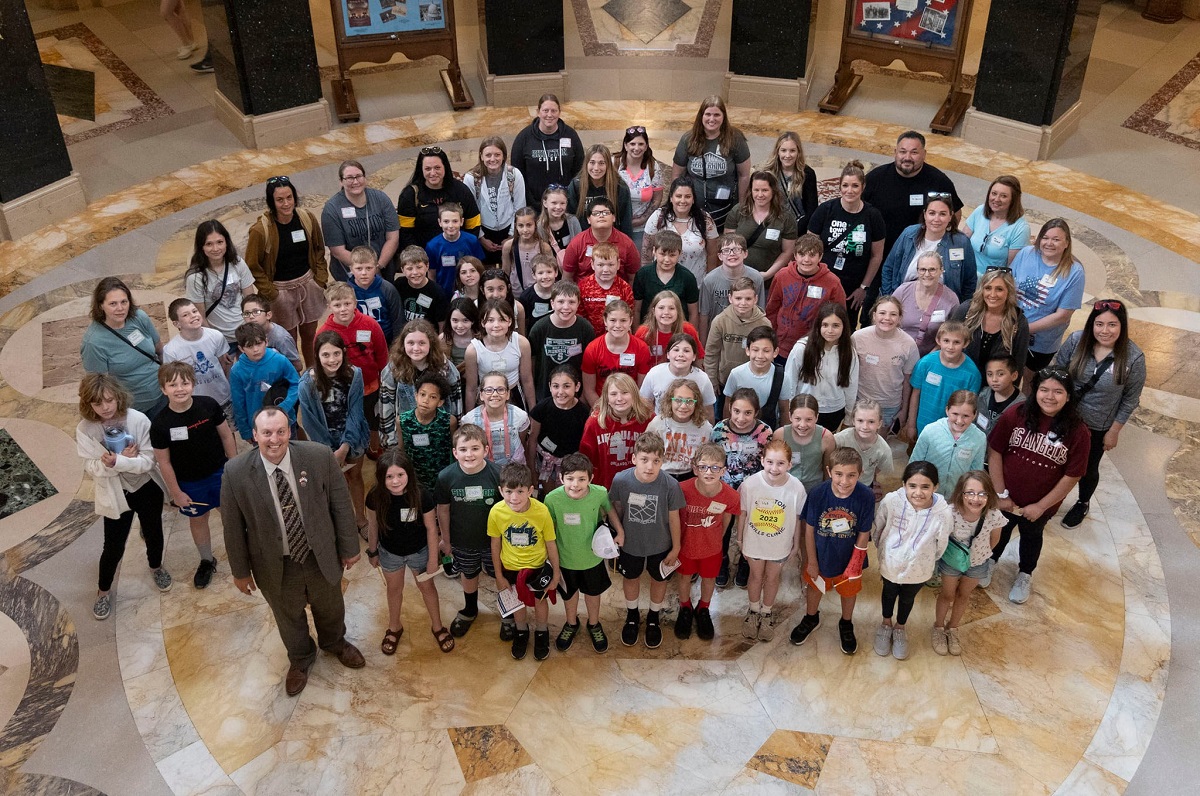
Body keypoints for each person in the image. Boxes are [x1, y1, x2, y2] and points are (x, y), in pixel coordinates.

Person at [221, 406, 364, 695]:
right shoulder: (235, 472)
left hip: (319, 554)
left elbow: (340, 503)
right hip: (274, 562)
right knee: (288, 615)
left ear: (290, 432)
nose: (274, 439)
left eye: (281, 431)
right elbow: (232, 527)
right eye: (267, 433)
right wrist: (239, 571)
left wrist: (349, 546)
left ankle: (335, 641)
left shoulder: (318, 456)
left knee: (331, 605)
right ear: (254, 435)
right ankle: (300, 657)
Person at [986, 367, 1091, 604]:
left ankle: (1025, 573)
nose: (1049, 397)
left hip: (1039, 505)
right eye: (1044, 389)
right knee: (999, 530)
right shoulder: (1016, 414)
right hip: (1007, 497)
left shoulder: (1078, 432)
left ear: (1069, 396)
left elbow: (1072, 476)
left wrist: (1042, 506)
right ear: (1035, 391)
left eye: (1058, 391)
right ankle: (991, 561)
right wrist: (1001, 493)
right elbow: (995, 452)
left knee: (1031, 537)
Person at [77, 374, 172, 622]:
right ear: (89, 405)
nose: (105, 407)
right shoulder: (86, 429)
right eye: (98, 404)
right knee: (113, 546)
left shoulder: (137, 420)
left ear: (118, 396)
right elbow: (90, 466)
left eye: (109, 400)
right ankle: (103, 590)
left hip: (146, 488)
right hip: (116, 492)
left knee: (153, 531)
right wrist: (118, 463)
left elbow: (148, 462)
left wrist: (119, 461)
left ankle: (156, 567)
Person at [1054, 299, 1145, 528]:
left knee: (1087, 468)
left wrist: (1114, 431)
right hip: (1064, 416)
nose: (1105, 331)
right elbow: (1057, 370)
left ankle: (1082, 503)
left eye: (1112, 325)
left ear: (1122, 326)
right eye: (1099, 324)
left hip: (1096, 425)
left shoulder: (1133, 358)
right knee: (1053, 459)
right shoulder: (1076, 341)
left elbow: (1130, 399)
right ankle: (1049, 496)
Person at [150, 362, 236, 590]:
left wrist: (234, 467)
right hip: (189, 483)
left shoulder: (208, 406)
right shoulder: (160, 424)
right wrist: (176, 492)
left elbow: (227, 437)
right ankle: (207, 560)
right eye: (173, 384)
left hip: (220, 473)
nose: (180, 388)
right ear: (163, 389)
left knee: (231, 515)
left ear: (193, 384)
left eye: (185, 383)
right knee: (198, 520)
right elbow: (163, 461)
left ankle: (243, 552)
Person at [366, 450, 454, 655]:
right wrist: (372, 551)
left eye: (400, 475)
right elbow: (372, 525)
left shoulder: (422, 494)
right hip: (390, 552)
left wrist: (433, 559)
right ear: (381, 477)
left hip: (419, 551)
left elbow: (432, 528)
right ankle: (394, 626)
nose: (395, 481)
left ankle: (438, 626)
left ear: (409, 474)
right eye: (389, 476)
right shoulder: (374, 497)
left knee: (428, 589)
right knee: (393, 590)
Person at [789, 447, 875, 653]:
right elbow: (808, 530)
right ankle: (811, 617)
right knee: (815, 586)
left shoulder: (866, 496)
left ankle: (846, 623)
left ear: (860, 474)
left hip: (849, 556)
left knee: (849, 591)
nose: (844, 481)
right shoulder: (818, 493)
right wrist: (811, 561)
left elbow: (864, 532)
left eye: (851, 475)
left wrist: (855, 564)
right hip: (821, 554)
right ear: (829, 472)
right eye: (839, 474)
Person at [870, 460, 953, 660]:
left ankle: (900, 628)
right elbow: (878, 527)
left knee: (907, 598)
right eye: (912, 486)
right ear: (904, 484)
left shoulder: (943, 512)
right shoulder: (891, 501)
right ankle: (886, 623)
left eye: (925, 487)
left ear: (936, 487)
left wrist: (926, 560)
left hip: (919, 569)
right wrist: (884, 550)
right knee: (888, 593)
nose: (918, 492)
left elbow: (941, 543)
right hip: (890, 563)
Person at [609, 434, 686, 649]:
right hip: (630, 544)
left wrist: (676, 547)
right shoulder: (621, 480)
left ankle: (653, 617)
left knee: (658, 580)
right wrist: (618, 533)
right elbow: (615, 508)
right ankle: (632, 615)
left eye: (656, 461)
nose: (650, 466)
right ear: (634, 459)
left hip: (660, 545)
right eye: (644, 459)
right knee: (631, 578)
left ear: (663, 461)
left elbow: (674, 518)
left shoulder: (670, 485)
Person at [247, 176, 330, 368]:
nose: (286, 203)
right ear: (271, 202)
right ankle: (294, 380)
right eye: (280, 200)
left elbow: (319, 249)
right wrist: (272, 294)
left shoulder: (306, 218)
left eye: (289, 197)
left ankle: (312, 373)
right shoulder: (261, 231)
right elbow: (252, 265)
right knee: (288, 340)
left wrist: (320, 280)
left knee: (310, 335)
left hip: (308, 285)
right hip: (280, 291)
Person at [544, 453, 624, 653]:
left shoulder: (599, 493)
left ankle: (594, 623)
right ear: (561, 478)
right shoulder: (552, 499)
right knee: (569, 595)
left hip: (592, 557)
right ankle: (571, 623)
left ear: (591, 478)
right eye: (570, 479)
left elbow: (610, 510)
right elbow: (548, 528)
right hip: (565, 559)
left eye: (581, 479)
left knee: (593, 593)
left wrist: (620, 531)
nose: (575, 484)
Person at [435, 425, 506, 639]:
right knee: (468, 573)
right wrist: (445, 540)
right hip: (462, 540)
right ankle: (470, 608)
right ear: (455, 452)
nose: (469, 454)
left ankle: (509, 612)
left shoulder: (498, 474)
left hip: (495, 542)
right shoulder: (446, 477)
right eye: (463, 449)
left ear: (486, 450)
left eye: (475, 448)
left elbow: (508, 510)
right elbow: (443, 510)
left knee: (501, 576)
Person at [489, 462, 562, 660]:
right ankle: (521, 631)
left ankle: (541, 631)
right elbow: (495, 545)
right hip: (510, 567)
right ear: (500, 490)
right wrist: (498, 574)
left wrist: (556, 573)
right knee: (517, 602)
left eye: (520, 491)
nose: (514, 497)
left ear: (530, 490)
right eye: (509, 491)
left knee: (540, 601)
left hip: (537, 568)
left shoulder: (542, 511)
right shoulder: (496, 512)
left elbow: (551, 544)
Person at [299, 331, 370, 527]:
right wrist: (330, 451)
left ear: (344, 352)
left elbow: (356, 412)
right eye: (326, 355)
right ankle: (340, 522)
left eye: (336, 353)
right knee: (333, 483)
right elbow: (310, 423)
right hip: (324, 443)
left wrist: (345, 446)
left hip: (352, 437)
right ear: (317, 356)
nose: (332, 360)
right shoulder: (307, 384)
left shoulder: (354, 375)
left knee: (355, 476)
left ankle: (360, 518)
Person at [738, 439, 805, 642]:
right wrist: (740, 539)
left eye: (780, 463)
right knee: (756, 576)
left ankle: (766, 612)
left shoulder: (796, 488)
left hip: (779, 543)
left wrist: (795, 544)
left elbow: (797, 518)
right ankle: (753, 610)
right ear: (762, 461)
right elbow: (743, 513)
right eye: (769, 462)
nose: (774, 468)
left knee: (773, 578)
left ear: (789, 464)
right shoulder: (750, 485)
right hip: (754, 541)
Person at [933, 471, 1006, 656]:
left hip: (978, 563)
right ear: (961, 493)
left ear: (989, 495)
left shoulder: (993, 515)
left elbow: (995, 538)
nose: (976, 498)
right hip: (951, 563)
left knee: (964, 595)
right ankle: (939, 627)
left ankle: (953, 628)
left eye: (982, 493)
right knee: (947, 594)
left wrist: (980, 555)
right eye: (970, 493)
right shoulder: (950, 513)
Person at [805, 161, 886, 326]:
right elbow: (809, 247)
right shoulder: (825, 210)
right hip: (822, 280)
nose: (850, 190)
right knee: (816, 322)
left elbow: (876, 256)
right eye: (845, 185)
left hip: (852, 287)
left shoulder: (873, 216)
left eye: (855, 185)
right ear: (839, 186)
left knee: (845, 325)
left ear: (863, 187)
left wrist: (863, 288)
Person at [674, 443, 740, 640]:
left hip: (712, 549)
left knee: (709, 579)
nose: (709, 472)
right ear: (695, 468)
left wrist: (716, 540)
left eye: (715, 467)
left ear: (724, 470)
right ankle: (685, 607)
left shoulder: (731, 495)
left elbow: (726, 521)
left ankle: (703, 609)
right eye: (703, 467)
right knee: (685, 577)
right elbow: (674, 518)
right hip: (686, 547)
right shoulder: (682, 489)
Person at [863, 131, 963, 259]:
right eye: (902, 151)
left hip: (918, 256)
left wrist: (940, 240)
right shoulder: (876, 178)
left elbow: (955, 213)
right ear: (895, 152)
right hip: (879, 253)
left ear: (924, 154)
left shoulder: (939, 181)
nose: (907, 157)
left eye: (914, 152)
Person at [711, 387, 774, 588]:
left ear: (756, 412)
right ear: (730, 408)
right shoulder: (719, 430)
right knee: (723, 529)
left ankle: (746, 563)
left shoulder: (764, 432)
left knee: (749, 529)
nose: (741, 417)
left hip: (754, 492)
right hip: (724, 491)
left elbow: (769, 461)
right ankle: (721, 561)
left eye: (748, 413)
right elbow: (713, 460)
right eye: (737, 411)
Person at [316, 282, 389, 455]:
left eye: (347, 304)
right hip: (342, 389)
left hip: (370, 386)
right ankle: (352, 446)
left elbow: (382, 354)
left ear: (355, 303)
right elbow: (320, 363)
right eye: (337, 305)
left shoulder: (370, 325)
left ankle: (373, 446)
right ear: (329, 306)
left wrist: (382, 380)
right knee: (346, 419)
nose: (343, 309)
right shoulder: (323, 333)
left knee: (373, 418)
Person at [1011, 219, 1085, 379]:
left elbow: (1062, 315)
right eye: (1045, 237)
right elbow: (1008, 283)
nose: (1049, 243)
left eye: (1056, 239)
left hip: (1040, 342)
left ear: (1066, 243)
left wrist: (1023, 330)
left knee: (1030, 382)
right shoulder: (1026, 254)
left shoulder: (1074, 272)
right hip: (1011, 330)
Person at [81, 277, 165, 418]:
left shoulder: (139, 317)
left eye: (124, 302)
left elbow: (158, 348)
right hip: (134, 409)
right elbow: (97, 385)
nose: (120, 309)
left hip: (163, 394)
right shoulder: (93, 343)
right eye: (113, 304)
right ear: (101, 305)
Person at [671, 96, 751, 228]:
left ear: (723, 117)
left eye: (716, 115)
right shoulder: (688, 139)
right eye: (708, 114)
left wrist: (742, 207)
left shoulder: (735, 139)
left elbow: (744, 175)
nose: (712, 119)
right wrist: (676, 202)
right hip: (692, 210)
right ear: (701, 116)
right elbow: (677, 175)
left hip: (724, 212)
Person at [379, 319, 463, 443]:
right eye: (411, 343)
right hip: (406, 436)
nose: (416, 348)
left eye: (422, 343)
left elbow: (456, 406)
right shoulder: (393, 369)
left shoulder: (446, 368)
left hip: (439, 437)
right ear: (403, 344)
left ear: (431, 344)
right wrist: (390, 441)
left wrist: (457, 439)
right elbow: (386, 407)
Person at [767, 233, 847, 362]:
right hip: (781, 346)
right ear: (795, 256)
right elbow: (772, 308)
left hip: (813, 347)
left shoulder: (833, 282)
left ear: (820, 257)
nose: (806, 260)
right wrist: (771, 337)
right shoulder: (782, 276)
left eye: (812, 255)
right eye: (802, 254)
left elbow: (840, 316)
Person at [880, 196, 976, 300]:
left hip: (944, 306)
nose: (936, 219)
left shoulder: (961, 242)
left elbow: (969, 280)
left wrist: (959, 310)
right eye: (932, 213)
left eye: (942, 214)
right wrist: (891, 299)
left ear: (950, 216)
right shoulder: (908, 235)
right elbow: (888, 268)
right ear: (925, 214)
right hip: (903, 302)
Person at [782, 302, 859, 431]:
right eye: (825, 325)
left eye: (835, 326)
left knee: (826, 446)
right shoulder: (801, 349)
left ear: (844, 327)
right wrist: (789, 411)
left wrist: (849, 417)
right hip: (804, 410)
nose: (830, 331)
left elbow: (851, 386)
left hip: (834, 411)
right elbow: (790, 382)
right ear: (818, 325)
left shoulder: (849, 352)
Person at [322, 161, 400, 282]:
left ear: (364, 177)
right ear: (341, 181)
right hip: (350, 274)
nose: (355, 181)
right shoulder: (332, 209)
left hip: (382, 268)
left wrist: (378, 266)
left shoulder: (381, 199)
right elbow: (338, 251)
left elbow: (393, 238)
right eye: (349, 178)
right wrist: (365, 270)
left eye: (359, 176)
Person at [703, 277, 768, 418]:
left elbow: (767, 354)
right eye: (738, 298)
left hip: (753, 382)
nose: (743, 303)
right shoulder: (720, 321)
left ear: (755, 299)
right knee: (723, 417)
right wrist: (712, 380)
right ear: (730, 298)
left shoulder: (764, 323)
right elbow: (711, 353)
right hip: (724, 383)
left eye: (748, 299)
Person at [185, 219, 255, 348]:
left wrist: (253, 330)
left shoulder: (237, 263)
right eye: (209, 244)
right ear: (202, 247)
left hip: (246, 333)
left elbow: (251, 300)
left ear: (226, 242)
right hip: (221, 340)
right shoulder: (195, 277)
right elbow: (200, 317)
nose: (215, 248)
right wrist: (217, 344)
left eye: (220, 242)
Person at [852, 296, 918, 433]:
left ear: (900, 318)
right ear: (874, 315)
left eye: (893, 314)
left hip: (889, 405)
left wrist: (904, 410)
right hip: (861, 401)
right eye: (882, 313)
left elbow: (907, 381)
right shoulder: (858, 338)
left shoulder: (909, 344)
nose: (887, 318)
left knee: (879, 444)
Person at [397, 146, 482, 252]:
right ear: (421, 169)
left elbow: (473, 224)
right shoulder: (410, 195)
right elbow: (405, 234)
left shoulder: (461, 190)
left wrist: (464, 249)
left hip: (459, 254)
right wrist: (420, 259)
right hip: (424, 258)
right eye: (428, 169)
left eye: (437, 168)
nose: (433, 173)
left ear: (445, 167)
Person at [510, 94, 585, 214]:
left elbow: (580, 170)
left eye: (554, 111)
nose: (549, 115)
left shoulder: (571, 135)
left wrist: (570, 199)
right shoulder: (524, 138)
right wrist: (533, 203)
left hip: (565, 206)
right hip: (534, 208)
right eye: (545, 110)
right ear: (538, 112)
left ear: (559, 112)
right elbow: (518, 175)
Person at [906, 322, 981, 441]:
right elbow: (915, 394)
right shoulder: (925, 363)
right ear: (938, 340)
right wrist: (910, 425)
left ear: (965, 343)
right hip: (923, 427)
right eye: (946, 341)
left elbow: (970, 406)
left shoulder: (972, 374)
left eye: (956, 342)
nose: (950, 347)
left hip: (952, 432)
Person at [579, 373, 654, 489]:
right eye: (613, 394)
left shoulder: (648, 418)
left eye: (625, 393)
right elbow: (586, 459)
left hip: (640, 487)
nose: (619, 398)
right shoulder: (595, 422)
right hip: (604, 487)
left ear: (634, 394)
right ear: (606, 398)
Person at [162, 299, 234, 421]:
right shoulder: (171, 350)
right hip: (195, 402)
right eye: (185, 315)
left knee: (227, 432)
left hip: (221, 397)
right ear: (177, 324)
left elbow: (225, 364)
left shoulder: (215, 336)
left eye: (194, 311)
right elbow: (173, 379)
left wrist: (227, 386)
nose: (193, 316)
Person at [950, 266, 1030, 375]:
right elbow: (947, 341)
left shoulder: (1018, 322)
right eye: (988, 288)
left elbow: (1018, 365)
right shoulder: (967, 310)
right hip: (961, 377)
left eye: (999, 289)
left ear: (1009, 292)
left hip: (995, 385)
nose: (992, 294)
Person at [642, 176, 720, 286]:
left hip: (695, 285)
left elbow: (712, 254)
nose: (683, 201)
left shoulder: (705, 220)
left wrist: (710, 281)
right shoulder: (658, 217)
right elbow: (647, 250)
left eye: (687, 196)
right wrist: (647, 279)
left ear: (693, 199)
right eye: (678, 196)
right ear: (671, 198)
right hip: (661, 285)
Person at [228, 322, 300, 442]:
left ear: (266, 342)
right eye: (249, 346)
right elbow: (238, 403)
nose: (255, 349)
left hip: (285, 419)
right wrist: (245, 431)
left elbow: (296, 384)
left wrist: (285, 406)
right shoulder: (237, 371)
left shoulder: (280, 360)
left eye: (258, 343)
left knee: (291, 452)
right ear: (241, 348)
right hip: (258, 425)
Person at [462, 136, 526, 266]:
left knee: (510, 267)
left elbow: (520, 207)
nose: (493, 159)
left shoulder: (514, 174)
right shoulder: (471, 178)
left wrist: (511, 236)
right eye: (488, 155)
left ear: (503, 156)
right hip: (483, 230)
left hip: (509, 228)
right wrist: (481, 238)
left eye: (497, 154)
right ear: (481, 156)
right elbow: (470, 210)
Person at [527, 281, 594, 404]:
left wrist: (584, 395)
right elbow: (532, 363)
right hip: (545, 394)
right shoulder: (539, 328)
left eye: (572, 302)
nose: (566, 307)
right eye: (561, 302)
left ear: (578, 304)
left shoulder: (585, 328)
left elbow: (590, 364)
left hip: (576, 395)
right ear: (552, 303)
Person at [910, 390, 987, 498]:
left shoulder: (979, 438)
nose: (959, 421)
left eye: (966, 416)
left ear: (974, 415)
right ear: (947, 410)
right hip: (927, 495)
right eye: (955, 414)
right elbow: (914, 464)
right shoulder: (930, 431)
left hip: (956, 497)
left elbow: (976, 472)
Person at [528, 365, 591, 495]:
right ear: (550, 386)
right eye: (556, 386)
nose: (561, 392)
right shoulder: (542, 408)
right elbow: (533, 439)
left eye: (566, 386)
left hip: (573, 465)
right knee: (550, 496)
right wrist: (532, 470)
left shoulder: (584, 413)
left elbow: (586, 444)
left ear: (577, 387)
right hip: (546, 461)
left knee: (570, 496)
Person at [723, 171, 798, 280]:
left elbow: (788, 251)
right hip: (738, 277)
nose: (760, 195)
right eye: (756, 190)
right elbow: (727, 246)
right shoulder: (738, 211)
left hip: (770, 278)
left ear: (773, 191)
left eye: (765, 190)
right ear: (751, 191)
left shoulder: (785, 217)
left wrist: (768, 274)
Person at [464, 299, 536, 411]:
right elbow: (471, 388)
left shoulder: (521, 343)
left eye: (502, 320)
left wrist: (533, 412)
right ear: (483, 323)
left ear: (510, 321)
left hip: (514, 394)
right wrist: (468, 417)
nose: (496, 325)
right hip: (486, 397)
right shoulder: (473, 350)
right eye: (490, 320)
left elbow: (527, 380)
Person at [581, 300, 652, 406]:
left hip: (631, 405)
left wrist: (628, 409)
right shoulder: (592, 349)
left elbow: (642, 389)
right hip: (601, 404)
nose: (618, 325)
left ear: (631, 321)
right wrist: (603, 411)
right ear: (605, 321)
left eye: (623, 320)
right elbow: (589, 390)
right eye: (613, 320)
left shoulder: (641, 348)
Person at [698, 233, 766, 344]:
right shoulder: (709, 280)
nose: (731, 254)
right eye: (726, 250)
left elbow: (760, 312)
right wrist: (703, 346)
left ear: (745, 253)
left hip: (747, 336)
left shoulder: (756, 278)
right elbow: (704, 315)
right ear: (719, 256)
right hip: (718, 336)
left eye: (736, 249)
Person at [394, 370, 457, 491]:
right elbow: (401, 449)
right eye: (422, 394)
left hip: (442, 479)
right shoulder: (402, 421)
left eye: (432, 397)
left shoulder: (449, 421)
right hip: (415, 479)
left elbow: (454, 451)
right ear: (416, 396)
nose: (426, 400)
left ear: (440, 402)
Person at [892, 252, 961, 356]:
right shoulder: (902, 291)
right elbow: (889, 321)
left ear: (941, 270)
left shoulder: (951, 299)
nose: (927, 274)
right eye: (923, 269)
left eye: (932, 269)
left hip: (932, 356)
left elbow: (953, 334)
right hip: (898, 353)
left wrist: (927, 360)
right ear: (917, 271)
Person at [561, 198, 641, 284]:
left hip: (618, 294)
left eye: (606, 213)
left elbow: (633, 278)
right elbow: (567, 278)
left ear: (613, 217)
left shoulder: (627, 243)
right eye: (596, 213)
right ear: (588, 219)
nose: (601, 216)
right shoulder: (577, 243)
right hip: (584, 294)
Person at [647, 378, 714, 479]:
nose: (683, 406)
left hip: (691, 474)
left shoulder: (704, 427)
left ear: (696, 403)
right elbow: (645, 451)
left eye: (689, 401)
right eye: (678, 400)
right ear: (670, 401)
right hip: (662, 474)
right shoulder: (658, 423)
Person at [961, 176, 1029, 273]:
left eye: (1003, 196)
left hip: (992, 282)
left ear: (1013, 200)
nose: (996, 199)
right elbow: (962, 242)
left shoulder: (1021, 228)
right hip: (966, 273)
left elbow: (1012, 268)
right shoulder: (980, 210)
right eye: (994, 194)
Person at [641, 333, 716, 421]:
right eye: (676, 350)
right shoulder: (654, 373)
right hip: (661, 426)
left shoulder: (702, 379)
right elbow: (645, 405)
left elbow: (708, 412)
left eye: (686, 351)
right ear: (668, 354)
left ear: (694, 356)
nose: (681, 354)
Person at [461, 371, 530, 467]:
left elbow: (522, 441)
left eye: (500, 389)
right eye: (489, 390)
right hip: (483, 468)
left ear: (508, 394)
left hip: (513, 469)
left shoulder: (520, 416)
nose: (495, 394)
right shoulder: (470, 420)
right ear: (481, 394)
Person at [632, 230, 700, 326]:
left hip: (678, 332)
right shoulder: (643, 274)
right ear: (654, 251)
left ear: (679, 254)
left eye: (672, 255)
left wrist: (691, 336)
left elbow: (693, 312)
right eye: (662, 254)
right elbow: (636, 310)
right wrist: (637, 335)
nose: (667, 260)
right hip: (649, 331)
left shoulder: (687, 277)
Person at [725, 326, 787, 428]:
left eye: (766, 351)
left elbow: (784, 410)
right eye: (755, 350)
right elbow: (728, 406)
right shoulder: (736, 374)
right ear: (748, 350)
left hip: (768, 431)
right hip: (738, 428)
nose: (760, 356)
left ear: (775, 352)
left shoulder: (782, 376)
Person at [615, 125, 666, 250]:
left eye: (641, 144)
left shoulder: (653, 167)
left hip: (642, 229)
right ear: (625, 145)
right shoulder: (614, 163)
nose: (636, 148)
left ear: (646, 146)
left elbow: (657, 199)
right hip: (616, 227)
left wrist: (643, 219)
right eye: (632, 144)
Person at [568, 143, 634, 237]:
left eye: (601, 163)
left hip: (612, 239)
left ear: (608, 165)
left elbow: (626, 221)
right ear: (586, 164)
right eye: (592, 162)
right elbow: (570, 217)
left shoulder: (619, 186)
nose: (596, 168)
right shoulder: (576, 185)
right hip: (583, 239)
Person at [774, 394, 836, 493]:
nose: (802, 425)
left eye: (809, 419)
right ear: (790, 416)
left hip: (814, 491)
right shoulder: (780, 435)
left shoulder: (826, 437)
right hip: (786, 489)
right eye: (797, 419)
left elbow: (827, 470)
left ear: (816, 417)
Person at [834, 399, 894, 497]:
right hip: (840, 484)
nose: (865, 426)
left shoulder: (883, 449)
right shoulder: (840, 439)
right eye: (860, 421)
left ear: (879, 423)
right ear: (853, 420)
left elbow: (879, 468)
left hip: (864, 485)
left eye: (871, 422)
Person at [760, 131, 818, 232]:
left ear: (798, 152)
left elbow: (812, 209)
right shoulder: (768, 173)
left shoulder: (807, 173)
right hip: (772, 225)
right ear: (777, 151)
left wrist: (794, 231)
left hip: (799, 227)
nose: (787, 155)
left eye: (792, 151)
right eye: (783, 150)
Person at [346, 246, 403, 345]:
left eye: (369, 268)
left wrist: (396, 347)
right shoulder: (346, 291)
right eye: (359, 268)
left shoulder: (387, 289)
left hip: (385, 341)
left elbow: (397, 321)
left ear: (376, 267)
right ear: (351, 269)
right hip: (356, 342)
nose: (364, 273)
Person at [426, 204, 487, 296]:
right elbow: (432, 275)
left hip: (470, 293)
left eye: (455, 221)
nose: (450, 225)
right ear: (439, 222)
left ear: (461, 221)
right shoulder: (432, 246)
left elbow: (480, 268)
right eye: (446, 221)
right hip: (444, 293)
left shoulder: (472, 241)